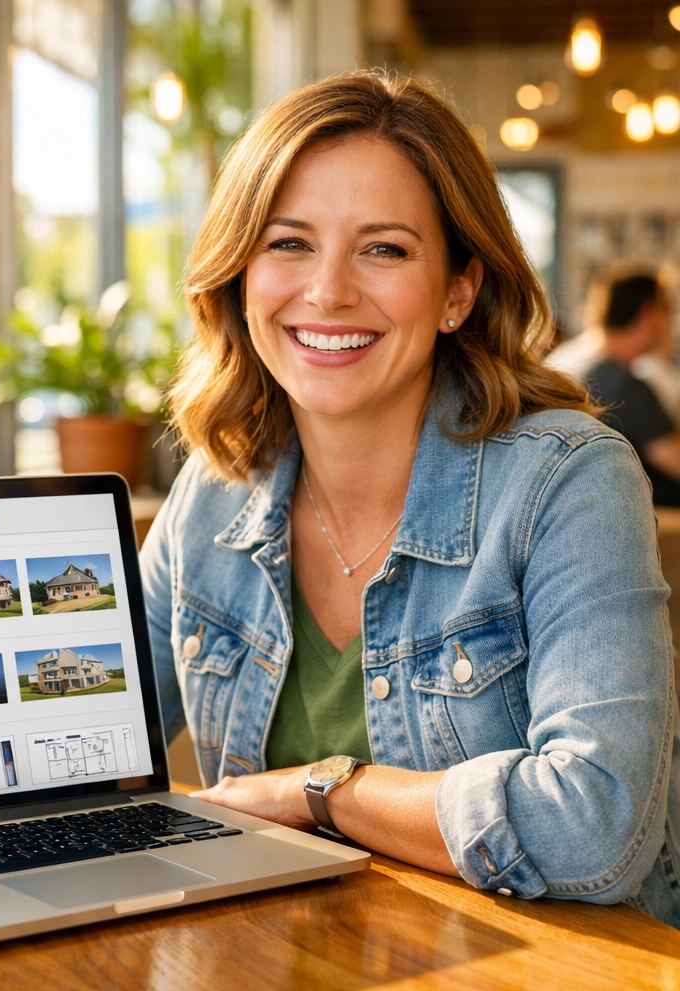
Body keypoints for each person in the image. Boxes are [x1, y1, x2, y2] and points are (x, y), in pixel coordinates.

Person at [140, 71, 680, 928]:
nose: (327, 292)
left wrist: (325, 794)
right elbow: (90, 752)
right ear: (241, 273)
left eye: (383, 248)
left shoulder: (569, 482)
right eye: (288, 242)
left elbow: (597, 827)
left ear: (458, 292)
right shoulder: (211, 495)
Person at [579, 275, 680, 507]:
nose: (671, 323)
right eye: (668, 312)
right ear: (649, 313)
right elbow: (675, 462)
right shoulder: (625, 386)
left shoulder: (594, 372)